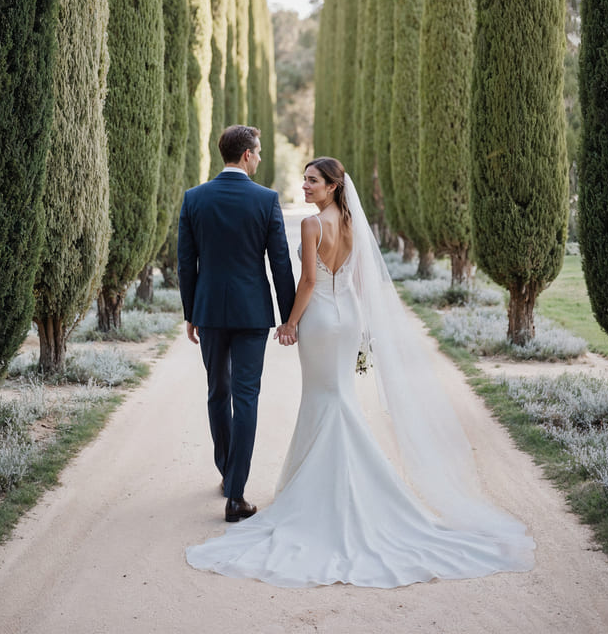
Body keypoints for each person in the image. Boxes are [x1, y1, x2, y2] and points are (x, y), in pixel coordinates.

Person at [186, 157, 535, 588]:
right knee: (340, 396)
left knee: (322, 399)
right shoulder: (351, 224)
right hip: (347, 318)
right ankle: (354, 488)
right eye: (305, 180)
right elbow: (357, 282)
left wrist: (290, 322)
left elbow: (309, 282)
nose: (305, 186)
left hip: (319, 319)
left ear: (333, 186)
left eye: (312, 180)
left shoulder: (315, 226)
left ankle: (326, 493)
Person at [177, 125, 296, 523]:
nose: (260, 158)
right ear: (246, 154)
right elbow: (279, 262)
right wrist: (288, 318)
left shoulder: (195, 198)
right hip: (250, 314)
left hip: (210, 311)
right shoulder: (266, 200)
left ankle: (228, 476)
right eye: (258, 152)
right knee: (246, 396)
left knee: (217, 391)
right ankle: (237, 495)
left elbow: (185, 263)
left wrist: (190, 312)